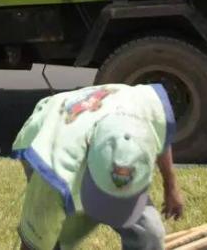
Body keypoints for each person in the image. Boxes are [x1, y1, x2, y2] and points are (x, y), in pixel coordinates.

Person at [12, 83, 182, 250]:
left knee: (150, 232)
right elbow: (32, 244)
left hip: (104, 118)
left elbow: (161, 135)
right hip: (50, 124)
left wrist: (170, 184)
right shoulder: (54, 177)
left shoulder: (148, 110)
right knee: (57, 235)